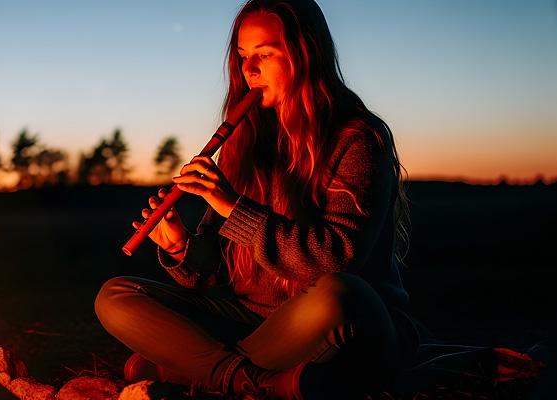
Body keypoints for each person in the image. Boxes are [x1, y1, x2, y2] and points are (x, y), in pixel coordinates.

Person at [94, 1, 419, 399]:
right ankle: (252, 382)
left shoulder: (359, 138)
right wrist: (182, 248)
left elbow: (333, 260)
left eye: (264, 54)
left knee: (339, 293)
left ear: (306, 54)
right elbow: (218, 272)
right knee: (115, 296)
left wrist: (233, 208)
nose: (248, 69)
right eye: (243, 55)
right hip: (256, 325)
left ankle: (198, 368)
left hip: (342, 324)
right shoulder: (244, 140)